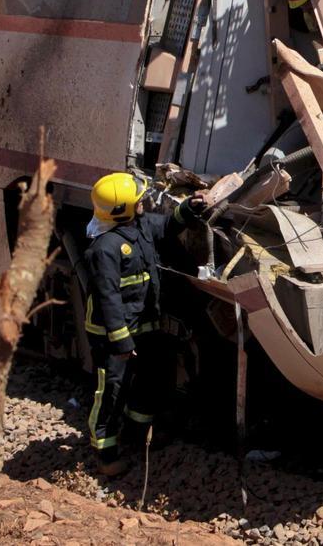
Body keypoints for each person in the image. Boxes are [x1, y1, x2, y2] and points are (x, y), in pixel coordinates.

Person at [84, 172, 205, 476]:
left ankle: (138, 435)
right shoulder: (104, 249)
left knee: (151, 379)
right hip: (114, 334)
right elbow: (108, 298)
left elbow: (167, 224)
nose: (143, 202)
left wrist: (188, 209)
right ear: (122, 209)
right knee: (112, 389)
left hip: (144, 325)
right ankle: (106, 453)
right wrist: (121, 341)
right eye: (138, 200)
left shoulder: (140, 225)